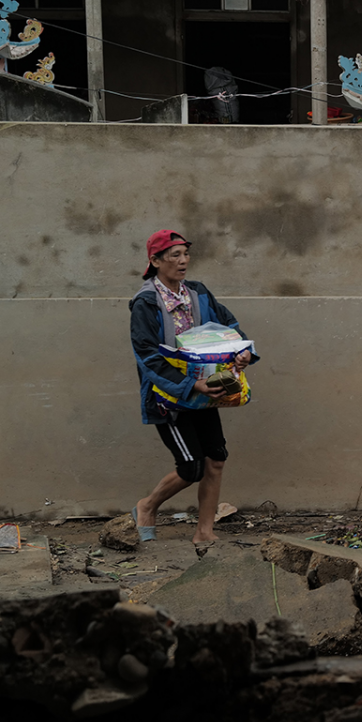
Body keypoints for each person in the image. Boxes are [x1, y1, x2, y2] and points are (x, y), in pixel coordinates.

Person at [130, 229, 257, 556]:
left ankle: (204, 533)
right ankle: (147, 506)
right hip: (169, 397)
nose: (183, 260)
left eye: (185, 253)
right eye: (174, 255)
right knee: (191, 466)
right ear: (155, 261)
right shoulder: (146, 303)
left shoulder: (198, 293)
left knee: (215, 460)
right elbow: (147, 355)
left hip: (205, 393)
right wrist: (190, 385)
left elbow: (229, 326)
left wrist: (242, 351)